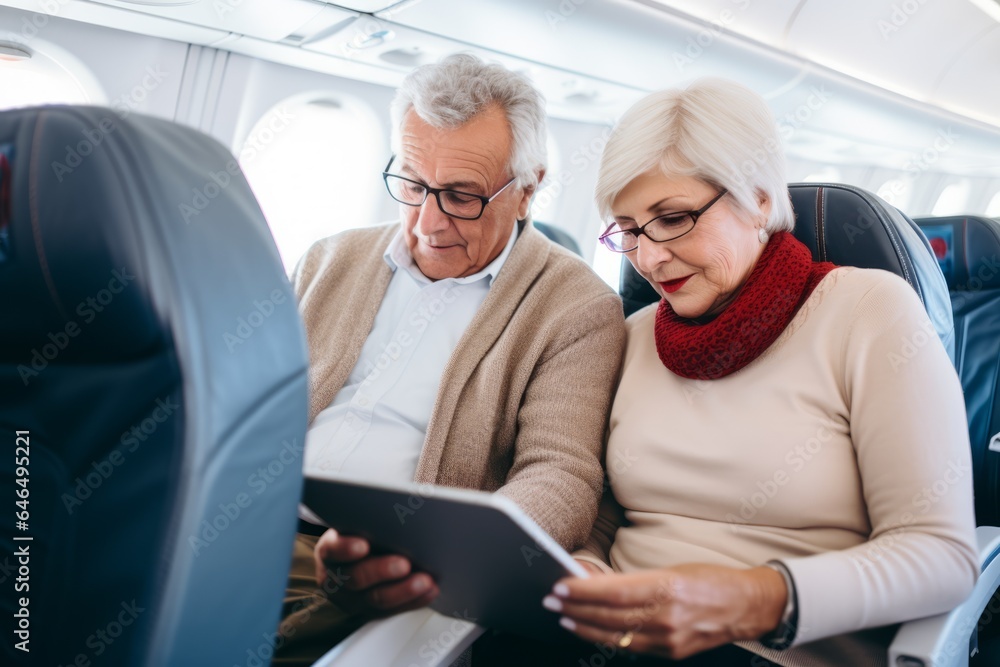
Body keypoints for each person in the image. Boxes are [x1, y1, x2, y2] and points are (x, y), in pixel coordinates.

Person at [542, 79, 977, 666]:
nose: (649, 257)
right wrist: (587, 576)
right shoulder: (633, 335)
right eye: (629, 229)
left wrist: (751, 600)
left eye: (673, 218)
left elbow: (939, 555)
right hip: (616, 645)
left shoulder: (869, 312)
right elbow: (607, 514)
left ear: (760, 199)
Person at [271, 54, 626, 666]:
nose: (428, 223)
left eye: (461, 196)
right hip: (251, 521)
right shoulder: (329, 258)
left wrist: (444, 550)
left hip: (394, 570)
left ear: (527, 190)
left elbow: (562, 475)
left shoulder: (576, 306)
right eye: (412, 184)